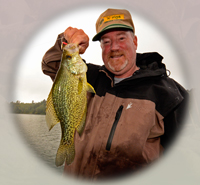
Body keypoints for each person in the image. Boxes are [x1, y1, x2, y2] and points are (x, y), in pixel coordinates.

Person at [42, 8, 188, 180]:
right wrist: (65, 40)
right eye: (106, 41)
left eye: (121, 38)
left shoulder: (170, 95)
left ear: (135, 41)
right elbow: (51, 65)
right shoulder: (89, 77)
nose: (114, 47)